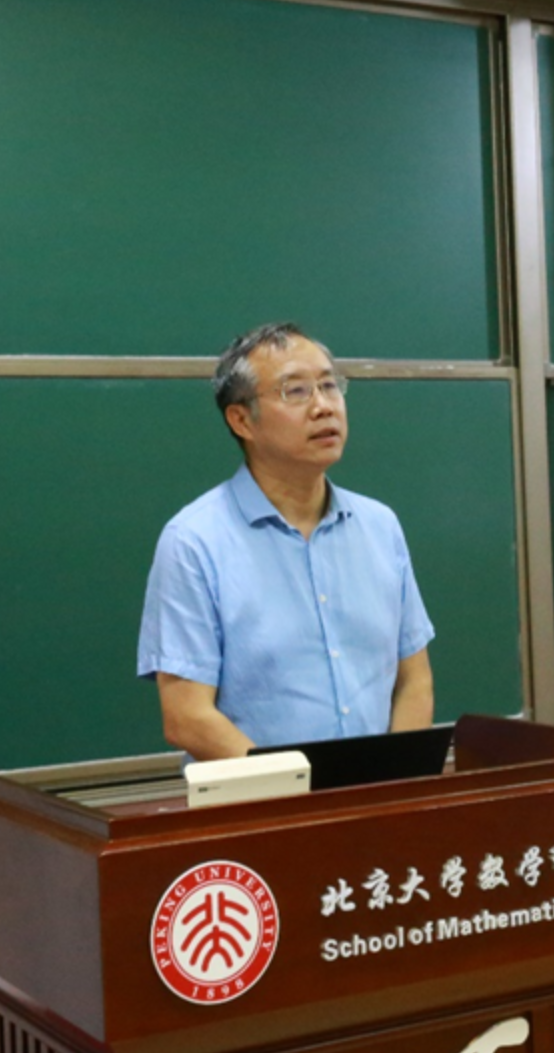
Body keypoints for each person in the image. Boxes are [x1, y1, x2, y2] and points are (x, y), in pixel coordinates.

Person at [137, 323, 435, 760]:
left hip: (376, 795)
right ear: (241, 420)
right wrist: (303, 787)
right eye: (295, 391)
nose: (323, 407)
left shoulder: (380, 525)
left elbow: (413, 680)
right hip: (266, 800)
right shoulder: (194, 541)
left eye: (329, 386)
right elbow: (187, 716)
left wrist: (393, 780)